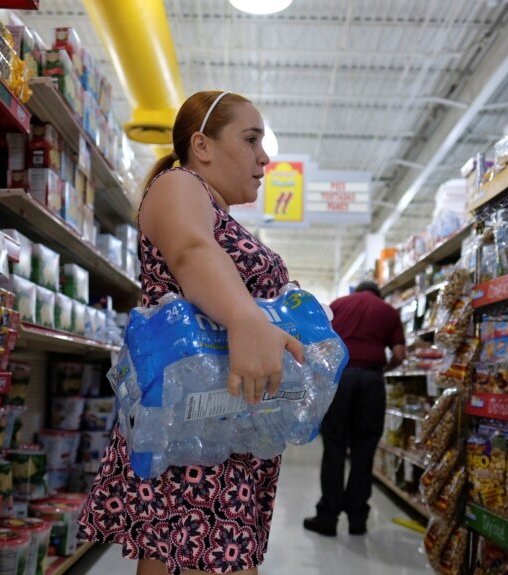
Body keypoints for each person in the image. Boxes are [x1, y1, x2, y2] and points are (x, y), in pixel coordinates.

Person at [77, 90, 305, 575]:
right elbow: (191, 251)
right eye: (250, 139)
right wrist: (247, 319)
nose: (264, 157)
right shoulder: (179, 183)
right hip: (196, 434)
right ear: (202, 145)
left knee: (179, 561)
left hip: (219, 430)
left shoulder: (220, 213)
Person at [303, 280, 405, 536]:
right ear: (378, 293)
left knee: (334, 448)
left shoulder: (338, 305)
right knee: (364, 449)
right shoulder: (388, 311)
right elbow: (401, 354)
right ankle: (357, 519)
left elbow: (319, 343)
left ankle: (328, 517)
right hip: (372, 381)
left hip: (341, 378)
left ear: (357, 290)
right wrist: (383, 370)